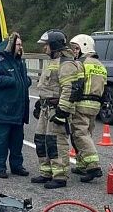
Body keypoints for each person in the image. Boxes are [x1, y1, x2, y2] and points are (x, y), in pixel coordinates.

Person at [31, 30, 83, 189]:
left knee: (56, 142)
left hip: (56, 109)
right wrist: (40, 104)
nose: (44, 48)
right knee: (41, 139)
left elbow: (70, 89)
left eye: (46, 45)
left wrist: (62, 111)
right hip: (47, 108)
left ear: (54, 45)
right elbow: (49, 86)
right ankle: (46, 172)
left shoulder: (66, 64)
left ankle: (60, 176)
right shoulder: (54, 61)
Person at [0, 32, 31, 178]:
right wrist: (11, 81)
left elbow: (23, 79)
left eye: (21, 44)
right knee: (2, 141)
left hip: (18, 109)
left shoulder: (20, 62)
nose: (20, 47)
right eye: (18, 44)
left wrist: (26, 82)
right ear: (11, 46)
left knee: (17, 141)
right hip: (3, 110)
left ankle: (17, 166)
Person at [68, 34, 107, 182]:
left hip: (82, 104)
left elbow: (75, 85)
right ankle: (82, 164)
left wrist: (69, 102)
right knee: (87, 134)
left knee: (79, 135)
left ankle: (93, 166)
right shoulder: (100, 65)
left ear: (84, 47)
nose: (75, 52)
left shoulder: (81, 63)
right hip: (95, 105)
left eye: (76, 48)